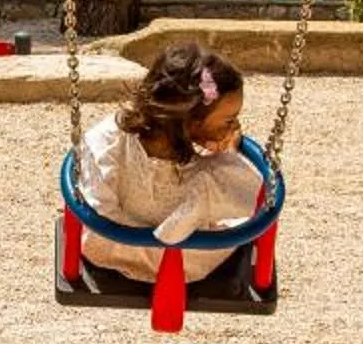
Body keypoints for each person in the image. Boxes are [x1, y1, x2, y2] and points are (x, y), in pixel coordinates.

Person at [72, 42, 263, 283]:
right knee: (229, 203)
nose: (235, 128)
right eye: (228, 121)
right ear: (189, 119)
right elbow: (250, 193)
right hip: (160, 254)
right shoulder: (109, 142)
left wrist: (220, 151)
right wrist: (227, 158)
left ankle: (172, 235)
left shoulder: (118, 139)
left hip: (127, 247)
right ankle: (174, 235)